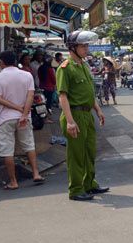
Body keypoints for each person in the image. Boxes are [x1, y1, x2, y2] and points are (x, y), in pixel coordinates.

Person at [57, 30, 109, 201]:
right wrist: (70, 122)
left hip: (87, 115)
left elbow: (89, 92)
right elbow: (63, 96)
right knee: (76, 154)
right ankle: (76, 189)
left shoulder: (84, 66)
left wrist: (98, 110)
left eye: (87, 45)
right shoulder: (65, 68)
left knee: (90, 152)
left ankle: (89, 184)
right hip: (75, 116)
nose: (87, 48)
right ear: (73, 47)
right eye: (83, 46)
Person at [0, 50, 45, 189]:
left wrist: (16, 108)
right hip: (24, 117)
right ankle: (36, 174)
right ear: (16, 61)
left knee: (7, 150)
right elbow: (30, 96)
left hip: (6, 119)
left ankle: (13, 181)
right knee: (29, 145)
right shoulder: (27, 75)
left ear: (1, 63)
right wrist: (23, 112)